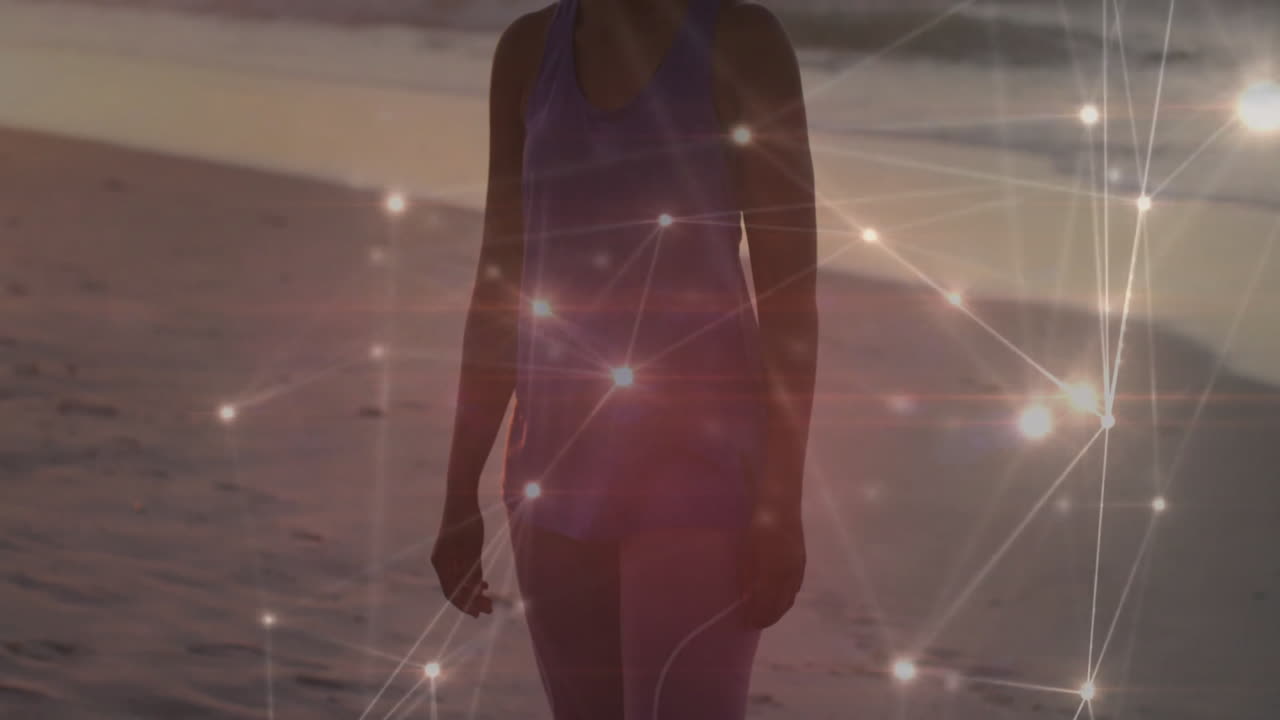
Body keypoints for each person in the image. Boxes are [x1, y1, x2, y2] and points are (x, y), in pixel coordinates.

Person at [432, 0, 817, 717]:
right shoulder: (527, 49)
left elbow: (791, 298)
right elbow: (501, 279)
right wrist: (461, 492)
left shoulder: (741, 40)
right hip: (550, 470)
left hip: (702, 473)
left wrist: (781, 502)